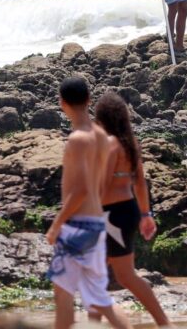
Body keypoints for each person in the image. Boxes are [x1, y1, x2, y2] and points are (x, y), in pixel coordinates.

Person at [46, 77, 131, 329]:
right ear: (89, 100)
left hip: (77, 227)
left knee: (63, 293)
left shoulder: (78, 139)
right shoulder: (102, 137)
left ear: (62, 103)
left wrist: (56, 224)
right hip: (96, 223)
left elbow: (81, 189)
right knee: (100, 299)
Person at [86, 91, 172, 327]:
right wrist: (146, 214)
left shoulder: (111, 145)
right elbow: (140, 183)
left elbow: (101, 184)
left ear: (101, 119)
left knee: (122, 276)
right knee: (101, 274)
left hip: (110, 215)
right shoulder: (130, 144)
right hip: (127, 210)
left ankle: (165, 323)